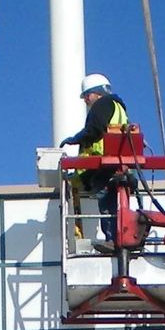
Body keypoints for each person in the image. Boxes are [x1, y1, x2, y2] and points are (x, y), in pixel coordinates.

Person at [59, 73, 129, 244]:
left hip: (103, 164)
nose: (85, 100)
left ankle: (113, 240)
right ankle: (117, 237)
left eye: (86, 95)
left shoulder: (103, 104)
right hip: (118, 164)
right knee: (116, 204)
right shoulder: (119, 107)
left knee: (106, 204)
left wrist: (75, 139)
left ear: (97, 93)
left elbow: (95, 129)